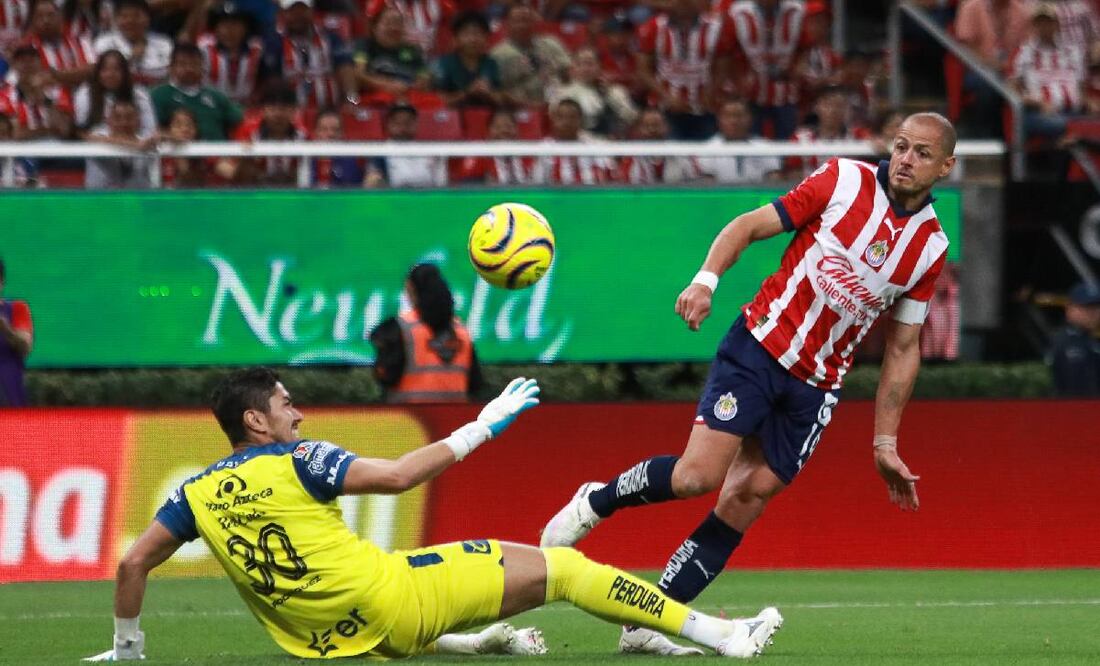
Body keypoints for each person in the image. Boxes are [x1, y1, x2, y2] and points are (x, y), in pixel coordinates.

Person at [542, 112, 957, 655]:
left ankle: (647, 621)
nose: (905, 159)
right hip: (760, 347)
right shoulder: (843, 181)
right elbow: (747, 226)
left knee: (748, 496)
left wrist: (884, 441)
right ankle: (595, 501)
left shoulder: (930, 246)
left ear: (946, 167)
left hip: (816, 388)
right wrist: (705, 282)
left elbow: (903, 349)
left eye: (922, 153)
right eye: (901, 146)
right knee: (698, 476)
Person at [83, 368, 782, 660]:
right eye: (286, 403)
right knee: (564, 569)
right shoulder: (293, 459)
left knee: (443, 583)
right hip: (394, 604)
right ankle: (721, 635)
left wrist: (129, 648)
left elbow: (132, 562)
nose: (299, 412)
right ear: (256, 422)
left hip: (334, 643)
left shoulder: (194, 495)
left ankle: (481, 641)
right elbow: (396, 477)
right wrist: (483, 424)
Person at [369, 263, 482, 403]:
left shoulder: (401, 328)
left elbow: (386, 375)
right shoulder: (462, 331)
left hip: (410, 420)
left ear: (411, 289)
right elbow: (475, 383)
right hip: (455, 420)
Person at [151, 43, 243, 140]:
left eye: (194, 64)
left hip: (218, 152)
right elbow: (150, 129)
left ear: (203, 67)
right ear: (171, 68)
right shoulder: (160, 95)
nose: (189, 69)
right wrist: (170, 136)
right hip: (178, 152)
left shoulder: (216, 96)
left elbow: (239, 120)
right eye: (183, 64)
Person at [490, 3, 570, 105]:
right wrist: (526, 104)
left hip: (559, 104)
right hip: (521, 107)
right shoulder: (498, 55)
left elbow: (570, 73)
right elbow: (495, 92)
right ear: (508, 24)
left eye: (527, 20)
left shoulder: (551, 44)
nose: (523, 25)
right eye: (518, 21)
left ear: (534, 22)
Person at [697, 97, 782, 184]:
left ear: (750, 118)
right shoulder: (708, 149)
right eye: (728, 116)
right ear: (719, 119)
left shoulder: (766, 147)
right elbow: (707, 184)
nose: (734, 121)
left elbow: (774, 180)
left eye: (739, 115)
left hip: (757, 195)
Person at [74, 49, 157, 138]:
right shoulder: (85, 93)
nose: (110, 74)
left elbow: (150, 130)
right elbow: (81, 128)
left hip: (135, 144)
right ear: (98, 72)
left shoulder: (139, 94)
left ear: (125, 73)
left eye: (116, 69)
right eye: (105, 70)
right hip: (96, 145)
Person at [364, 103, 448, 188]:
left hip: (427, 197)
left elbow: (442, 183)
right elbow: (371, 182)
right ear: (389, 125)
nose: (403, 127)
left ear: (416, 124)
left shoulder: (430, 149)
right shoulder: (380, 152)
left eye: (407, 122)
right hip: (395, 197)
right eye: (397, 123)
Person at [431, 10, 502, 108]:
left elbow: (500, 98)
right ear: (455, 39)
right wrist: (467, 93)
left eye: (478, 34)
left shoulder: (490, 63)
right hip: (452, 118)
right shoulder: (443, 64)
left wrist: (488, 93)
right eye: (467, 34)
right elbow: (436, 101)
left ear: (486, 38)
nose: (473, 39)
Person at [92, 0, 173, 86]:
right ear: (115, 19)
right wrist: (131, 58)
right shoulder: (103, 42)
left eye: (137, 16)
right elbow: (102, 74)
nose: (130, 21)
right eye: (124, 16)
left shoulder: (164, 43)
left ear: (148, 18)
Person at [84, 97, 156, 188]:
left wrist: (153, 140)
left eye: (129, 118)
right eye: (117, 118)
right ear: (108, 120)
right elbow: (90, 138)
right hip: (101, 199)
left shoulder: (146, 140)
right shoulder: (98, 133)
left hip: (137, 198)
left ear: (138, 120)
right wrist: (136, 145)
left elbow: (162, 136)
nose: (123, 123)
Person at [1048, 282, 1100, 397]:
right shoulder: (1064, 342)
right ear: (1070, 309)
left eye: (1097, 307)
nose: (1094, 313)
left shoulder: (1091, 341)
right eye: (1087, 307)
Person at [0, 257, 33, 407]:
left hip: (10, 396)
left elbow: (25, 347)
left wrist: (5, 329)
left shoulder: (17, 309)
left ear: (1, 282)